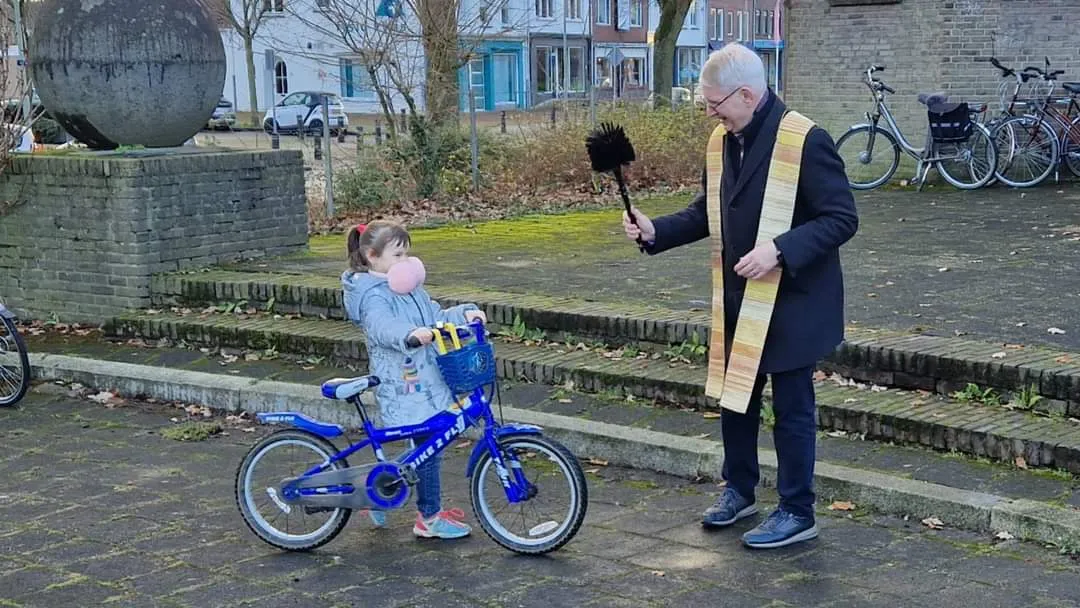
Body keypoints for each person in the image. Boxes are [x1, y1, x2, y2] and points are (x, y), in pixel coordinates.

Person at [622, 43, 858, 549]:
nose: (710, 112)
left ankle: (798, 510)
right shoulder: (722, 139)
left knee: (792, 409)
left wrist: (779, 249)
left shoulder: (806, 138)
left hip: (795, 301)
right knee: (736, 401)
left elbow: (841, 218)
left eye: (715, 103)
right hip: (737, 297)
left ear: (748, 94)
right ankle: (740, 490)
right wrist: (654, 231)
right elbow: (708, 210)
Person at [342, 220, 487, 539]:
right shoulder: (371, 296)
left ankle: (381, 486)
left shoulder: (409, 288)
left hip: (427, 379)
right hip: (404, 384)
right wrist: (408, 335)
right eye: (397, 254)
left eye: (407, 254)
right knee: (429, 446)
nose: (405, 261)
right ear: (372, 256)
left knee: (429, 444)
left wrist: (464, 314)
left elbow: (434, 315)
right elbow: (381, 327)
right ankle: (429, 519)